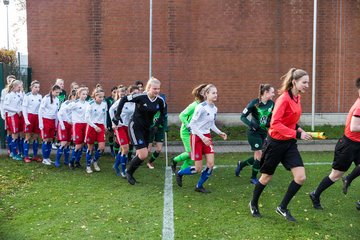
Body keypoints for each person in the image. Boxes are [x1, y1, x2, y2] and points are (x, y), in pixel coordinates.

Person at [249, 68, 312, 222]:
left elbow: (290, 119)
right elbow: (275, 124)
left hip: (289, 144)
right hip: (275, 144)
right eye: (304, 82)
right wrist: (298, 134)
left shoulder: (297, 97)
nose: (307, 85)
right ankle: (253, 203)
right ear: (294, 82)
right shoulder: (283, 99)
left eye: (308, 82)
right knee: (266, 177)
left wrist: (298, 128)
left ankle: (282, 207)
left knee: (300, 177)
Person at [309, 77, 360, 210]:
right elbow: (354, 127)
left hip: (357, 144)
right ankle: (315, 194)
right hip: (348, 146)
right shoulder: (359, 106)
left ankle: (349, 179)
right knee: (336, 175)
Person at [175, 84, 227, 193]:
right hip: (197, 137)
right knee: (198, 169)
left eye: (216, 93)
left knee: (211, 164)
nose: (215, 95)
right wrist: (202, 138)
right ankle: (180, 173)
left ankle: (199, 185)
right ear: (206, 94)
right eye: (213, 93)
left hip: (206, 137)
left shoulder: (215, 108)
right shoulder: (200, 107)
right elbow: (193, 124)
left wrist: (219, 132)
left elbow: (211, 123)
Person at [113, 77, 165, 185]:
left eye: (158, 89)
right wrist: (117, 115)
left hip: (147, 128)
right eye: (154, 88)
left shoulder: (160, 100)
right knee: (143, 154)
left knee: (143, 154)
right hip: (135, 127)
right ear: (149, 88)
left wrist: (156, 125)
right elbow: (123, 99)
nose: (157, 91)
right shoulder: (141, 96)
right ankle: (128, 172)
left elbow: (163, 114)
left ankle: (129, 171)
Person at [235, 84, 275, 184]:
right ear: (266, 93)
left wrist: (270, 124)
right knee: (259, 154)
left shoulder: (271, 104)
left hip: (263, 132)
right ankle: (253, 178)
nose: (273, 94)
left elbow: (271, 117)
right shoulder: (254, 103)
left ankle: (241, 164)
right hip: (253, 133)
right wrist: (252, 125)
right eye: (272, 92)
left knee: (260, 156)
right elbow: (242, 117)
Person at [171, 84, 207, 173]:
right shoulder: (194, 105)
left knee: (193, 155)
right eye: (206, 92)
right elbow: (182, 115)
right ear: (201, 94)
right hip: (186, 132)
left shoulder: (205, 105)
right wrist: (189, 126)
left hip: (196, 133)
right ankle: (175, 161)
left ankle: (181, 170)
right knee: (191, 153)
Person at [110, 85, 139, 177]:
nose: (136, 95)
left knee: (123, 149)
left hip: (129, 127)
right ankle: (123, 171)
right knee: (125, 149)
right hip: (120, 126)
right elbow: (111, 109)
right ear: (129, 93)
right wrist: (113, 123)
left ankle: (115, 165)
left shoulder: (137, 103)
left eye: (138, 94)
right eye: (134, 93)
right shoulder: (123, 100)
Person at [62, 87, 89, 169]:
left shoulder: (87, 103)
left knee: (83, 144)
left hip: (85, 124)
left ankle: (77, 161)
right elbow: (63, 110)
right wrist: (68, 119)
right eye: (83, 94)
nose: (84, 96)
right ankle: (71, 161)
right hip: (77, 125)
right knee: (78, 144)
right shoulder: (75, 103)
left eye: (86, 94)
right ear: (79, 94)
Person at [84, 87, 107, 174]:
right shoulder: (90, 104)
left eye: (103, 97)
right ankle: (88, 166)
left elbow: (104, 115)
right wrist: (94, 126)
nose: (102, 99)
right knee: (90, 148)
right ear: (95, 96)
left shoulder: (104, 104)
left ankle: (94, 161)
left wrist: (104, 125)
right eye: (100, 97)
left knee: (101, 147)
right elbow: (86, 118)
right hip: (91, 126)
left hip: (100, 126)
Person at [38, 85, 62, 165]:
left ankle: (47, 158)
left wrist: (56, 123)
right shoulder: (46, 98)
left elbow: (56, 113)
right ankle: (44, 158)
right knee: (45, 139)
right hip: (45, 120)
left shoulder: (57, 100)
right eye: (56, 92)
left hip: (52, 121)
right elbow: (40, 111)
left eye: (59, 92)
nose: (57, 94)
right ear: (52, 90)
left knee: (50, 140)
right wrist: (41, 123)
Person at [55, 90, 77, 167]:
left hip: (71, 125)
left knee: (68, 143)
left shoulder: (76, 104)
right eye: (76, 97)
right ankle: (57, 160)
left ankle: (66, 160)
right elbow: (60, 113)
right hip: (63, 123)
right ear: (72, 96)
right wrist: (64, 123)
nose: (77, 99)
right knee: (63, 142)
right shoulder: (66, 103)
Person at [3, 80, 24, 161]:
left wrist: (21, 92)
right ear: (14, 86)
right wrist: (16, 110)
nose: (20, 88)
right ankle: (13, 153)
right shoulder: (9, 95)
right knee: (14, 135)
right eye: (19, 87)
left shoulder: (18, 94)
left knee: (16, 134)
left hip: (18, 116)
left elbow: (22, 101)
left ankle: (15, 152)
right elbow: (5, 106)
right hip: (12, 116)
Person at [22, 80, 42, 163]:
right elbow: (24, 108)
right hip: (30, 116)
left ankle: (35, 156)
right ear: (31, 87)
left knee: (36, 137)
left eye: (38, 87)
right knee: (28, 136)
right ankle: (26, 156)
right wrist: (26, 119)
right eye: (35, 87)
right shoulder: (27, 96)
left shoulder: (40, 96)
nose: (37, 89)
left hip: (37, 117)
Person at [146, 92, 168, 169]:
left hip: (160, 129)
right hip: (150, 129)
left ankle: (150, 162)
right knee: (147, 149)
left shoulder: (163, 104)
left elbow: (165, 117)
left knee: (158, 149)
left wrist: (165, 127)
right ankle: (137, 160)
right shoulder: (150, 105)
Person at [1, 75, 16, 156]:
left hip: (16, 115)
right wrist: (2, 113)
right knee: (9, 132)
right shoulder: (4, 91)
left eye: (13, 80)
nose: (11, 81)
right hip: (8, 114)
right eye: (9, 80)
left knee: (15, 132)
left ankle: (15, 149)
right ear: (7, 81)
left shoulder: (18, 91)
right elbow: (2, 103)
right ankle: (10, 150)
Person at [106, 86, 118, 157]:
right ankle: (111, 150)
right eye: (114, 92)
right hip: (110, 120)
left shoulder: (119, 99)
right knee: (111, 135)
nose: (115, 93)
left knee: (117, 136)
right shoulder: (108, 99)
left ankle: (117, 149)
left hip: (117, 121)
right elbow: (108, 111)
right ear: (111, 92)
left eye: (116, 92)